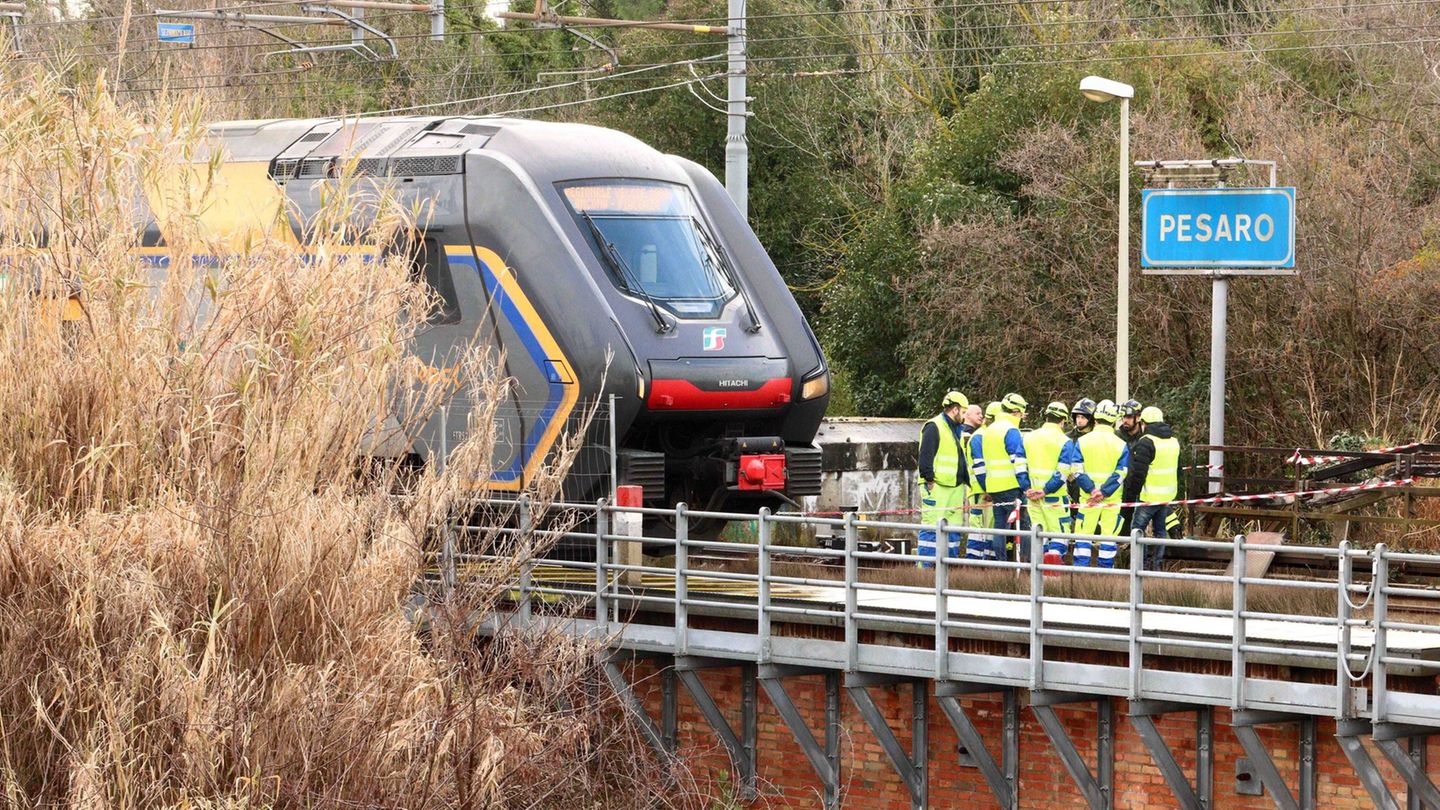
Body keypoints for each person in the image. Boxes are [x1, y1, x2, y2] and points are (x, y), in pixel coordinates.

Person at [971, 393, 1032, 561]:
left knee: (1000, 527)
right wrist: (1026, 486)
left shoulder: (989, 431)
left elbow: (982, 464)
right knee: (1023, 525)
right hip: (1012, 486)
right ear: (1016, 411)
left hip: (994, 487)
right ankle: (1027, 563)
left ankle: (1001, 564)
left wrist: (987, 487)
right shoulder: (1010, 430)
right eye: (1021, 413)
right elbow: (1017, 461)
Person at [1024, 401, 1083, 563]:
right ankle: (1053, 573)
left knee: (1039, 535)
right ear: (1063, 421)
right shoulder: (1064, 441)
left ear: (1046, 417)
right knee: (1059, 535)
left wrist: (1026, 488)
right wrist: (1045, 490)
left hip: (1032, 497)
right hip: (1055, 497)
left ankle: (1039, 571)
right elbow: (1062, 473)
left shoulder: (1028, 437)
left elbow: (1019, 466)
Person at [917, 391, 969, 565]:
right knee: (932, 529)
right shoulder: (934, 426)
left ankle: (948, 568)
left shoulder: (956, 429)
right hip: (937, 486)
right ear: (955, 410)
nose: (964, 416)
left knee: (952, 531)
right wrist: (929, 480)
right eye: (963, 412)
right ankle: (924, 571)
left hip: (954, 486)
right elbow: (925, 456)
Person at [1074, 399, 1129, 568]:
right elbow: (1121, 473)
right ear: (1113, 421)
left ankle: (1080, 571)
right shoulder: (1121, 444)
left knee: (1083, 536)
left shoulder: (1082, 441)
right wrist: (1104, 492)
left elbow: (1077, 470)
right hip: (1111, 499)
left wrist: (1092, 490)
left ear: (1095, 419)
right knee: (1108, 538)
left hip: (1088, 498)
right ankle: (1106, 574)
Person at [1129, 406, 1180, 569]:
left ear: (1143, 423)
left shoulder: (1146, 442)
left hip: (1149, 497)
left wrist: (1132, 494)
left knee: (1137, 531)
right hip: (1166, 496)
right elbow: (1178, 470)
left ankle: (1140, 566)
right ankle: (1157, 566)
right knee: (1160, 531)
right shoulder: (1174, 441)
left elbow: (1139, 473)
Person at [958, 402, 993, 560]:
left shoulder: (978, 434)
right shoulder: (969, 435)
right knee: (978, 526)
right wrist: (988, 488)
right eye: (977, 413)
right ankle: (974, 561)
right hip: (979, 488)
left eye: (982, 413)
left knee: (984, 527)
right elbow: (978, 466)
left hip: (979, 487)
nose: (981, 416)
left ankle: (981, 561)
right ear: (966, 414)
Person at [1067, 398, 1097, 537]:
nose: (1079, 420)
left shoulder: (1096, 438)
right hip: (1071, 483)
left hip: (1089, 483)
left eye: (1083, 417)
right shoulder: (1068, 438)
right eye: (1077, 417)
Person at [1116, 399, 1144, 536]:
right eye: (1123, 417)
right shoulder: (1116, 436)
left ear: (1138, 418)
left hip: (1139, 490)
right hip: (1119, 488)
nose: (1125, 421)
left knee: (1136, 530)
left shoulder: (1145, 438)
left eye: (1128, 417)